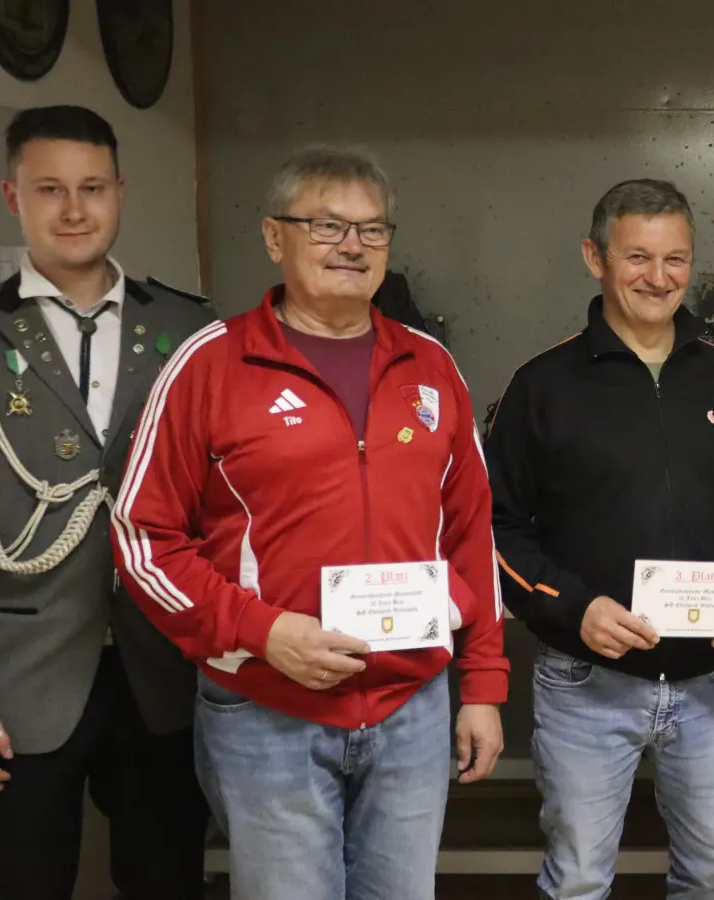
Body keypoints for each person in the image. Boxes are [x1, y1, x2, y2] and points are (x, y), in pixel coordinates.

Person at [109, 145, 507, 900]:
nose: (352, 246)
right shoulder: (210, 364)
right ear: (273, 237)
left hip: (410, 707)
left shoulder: (431, 367)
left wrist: (481, 685)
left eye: (372, 229)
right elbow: (143, 539)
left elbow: (470, 534)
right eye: (325, 225)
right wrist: (263, 632)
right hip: (268, 709)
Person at [0, 105, 212, 900]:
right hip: (21, 679)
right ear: (13, 196)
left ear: (121, 191)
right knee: (24, 881)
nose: (74, 210)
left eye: (92, 187)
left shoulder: (192, 328)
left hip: (165, 670)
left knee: (167, 878)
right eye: (50, 188)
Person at [486, 178, 714, 900]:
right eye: (637, 257)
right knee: (579, 878)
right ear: (595, 257)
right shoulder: (542, 386)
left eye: (676, 259)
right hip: (586, 682)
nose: (659, 277)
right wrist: (572, 608)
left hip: (711, 681)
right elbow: (496, 527)